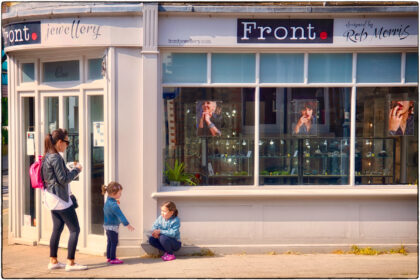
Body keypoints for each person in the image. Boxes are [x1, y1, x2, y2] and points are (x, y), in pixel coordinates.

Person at [42, 128, 86, 271]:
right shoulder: (56, 157)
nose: (67, 144)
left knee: (58, 228)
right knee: (75, 229)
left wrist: (67, 168)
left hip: (51, 197)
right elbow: (63, 179)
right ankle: (71, 263)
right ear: (60, 142)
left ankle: (53, 261)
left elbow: (54, 176)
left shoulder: (47, 155)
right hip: (60, 199)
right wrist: (77, 170)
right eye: (67, 142)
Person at [102, 181, 135, 264]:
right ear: (113, 193)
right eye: (119, 193)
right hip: (113, 226)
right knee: (114, 242)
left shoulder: (108, 201)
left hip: (107, 225)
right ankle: (113, 258)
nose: (120, 195)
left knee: (109, 241)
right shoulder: (114, 205)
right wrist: (127, 224)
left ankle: (109, 257)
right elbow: (120, 215)